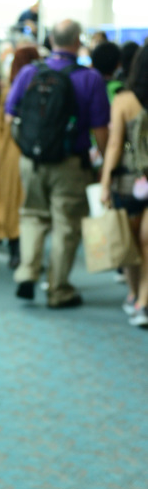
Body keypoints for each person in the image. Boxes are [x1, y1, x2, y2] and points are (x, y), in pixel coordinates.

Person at [5, 19, 110, 307]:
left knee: (32, 215)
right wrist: (104, 163)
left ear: (51, 40)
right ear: (78, 41)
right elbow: (101, 129)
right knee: (66, 225)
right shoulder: (90, 79)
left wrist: (27, 148)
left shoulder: (29, 72)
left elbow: (10, 116)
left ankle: (27, 272)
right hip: (71, 164)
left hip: (32, 160)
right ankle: (58, 290)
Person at [99, 44, 148, 327]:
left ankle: (133, 294)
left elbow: (115, 144)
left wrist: (105, 183)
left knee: (128, 245)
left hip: (128, 181)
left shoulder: (123, 100)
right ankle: (144, 302)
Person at [0, 44, 40, 268]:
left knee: (13, 202)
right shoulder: (31, 89)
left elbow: (0, 130)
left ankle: (19, 252)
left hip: (7, 154)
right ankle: (22, 253)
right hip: (27, 152)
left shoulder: (9, 90)